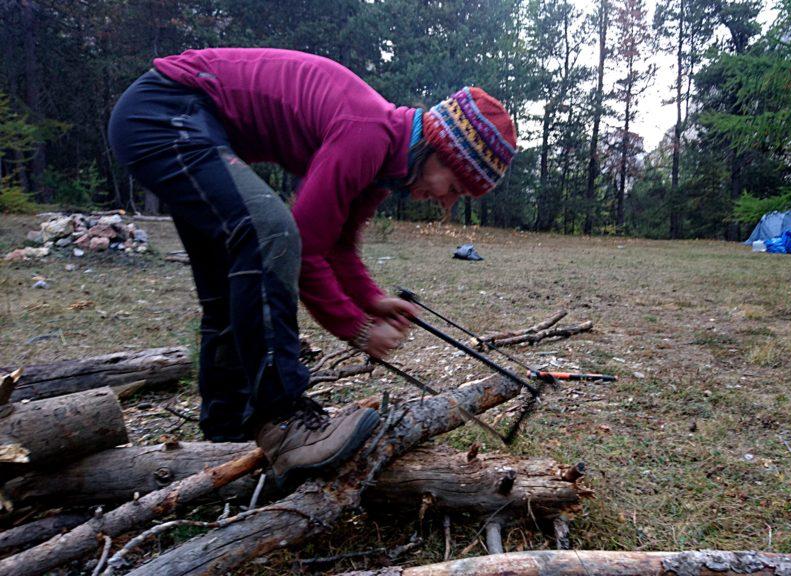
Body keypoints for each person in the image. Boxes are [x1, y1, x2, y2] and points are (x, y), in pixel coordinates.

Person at [108, 48, 518, 484]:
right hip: (164, 111)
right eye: (453, 186)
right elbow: (303, 244)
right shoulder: (368, 132)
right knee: (271, 231)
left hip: (189, 122)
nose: (446, 203)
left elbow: (337, 244)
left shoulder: (385, 161)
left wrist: (370, 300)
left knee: (229, 292)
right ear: (438, 148)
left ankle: (222, 437)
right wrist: (355, 328)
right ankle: (283, 418)